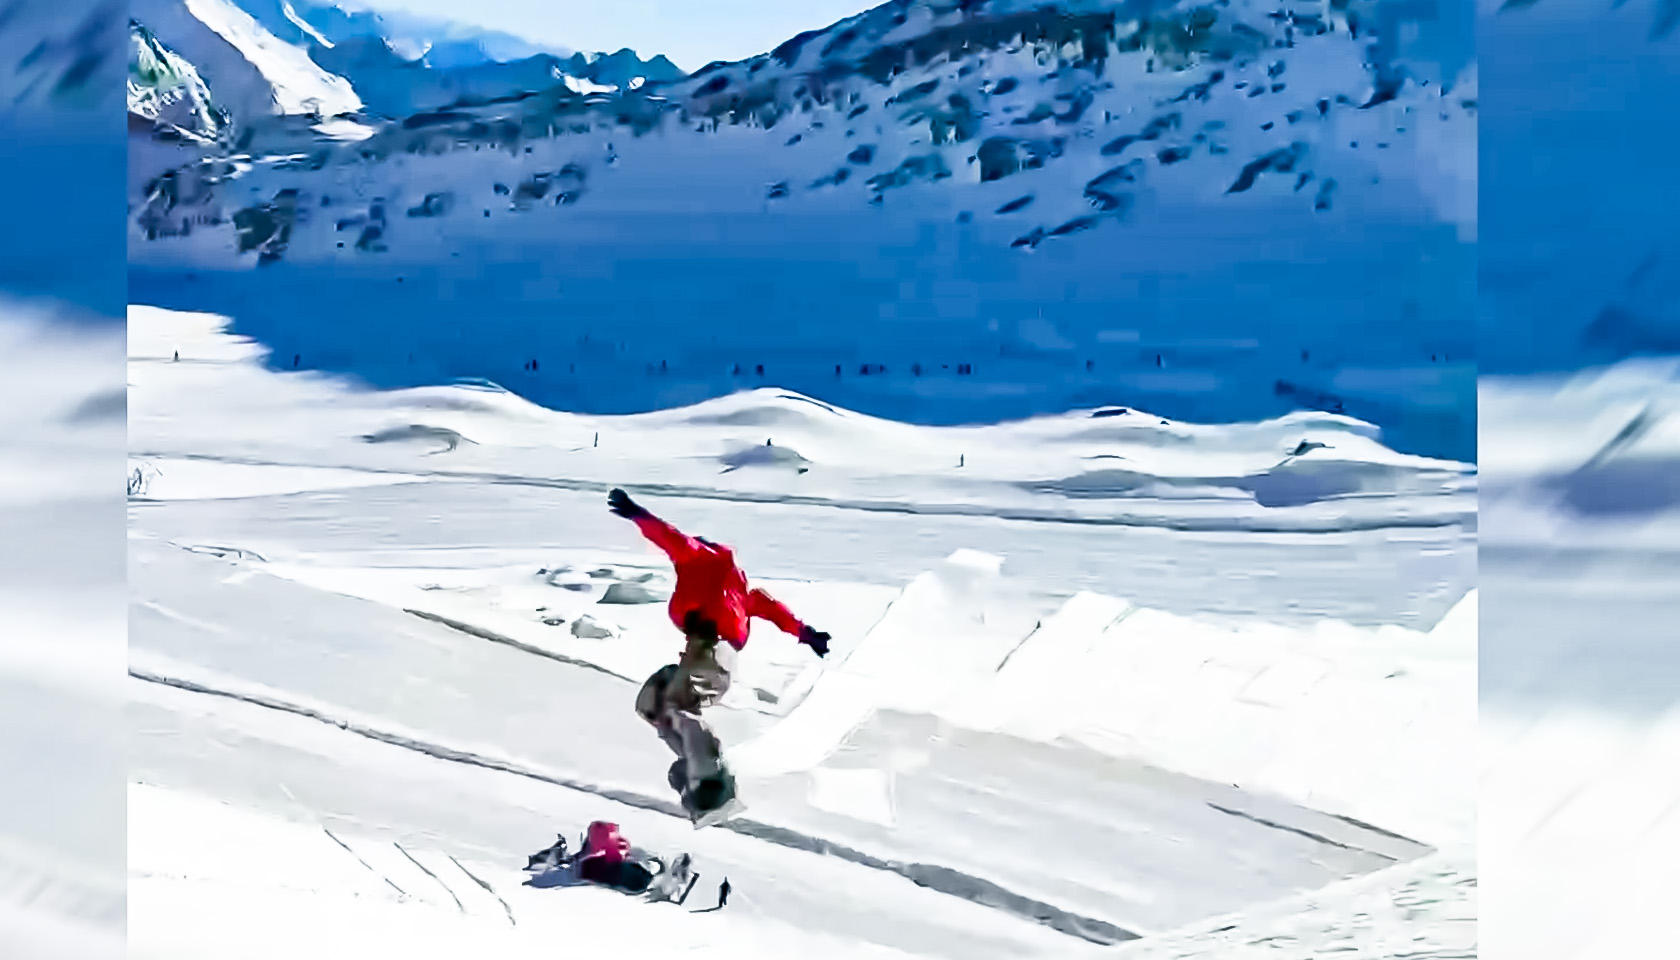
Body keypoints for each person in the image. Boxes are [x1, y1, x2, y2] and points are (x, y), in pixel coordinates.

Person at [608, 488, 830, 815]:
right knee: (654, 703)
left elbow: (671, 538)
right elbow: (775, 611)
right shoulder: (743, 591)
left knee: (681, 707)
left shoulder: (698, 557)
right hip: (712, 657)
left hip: (713, 652)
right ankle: (696, 760)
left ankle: (711, 781)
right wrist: (807, 634)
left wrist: (638, 515)